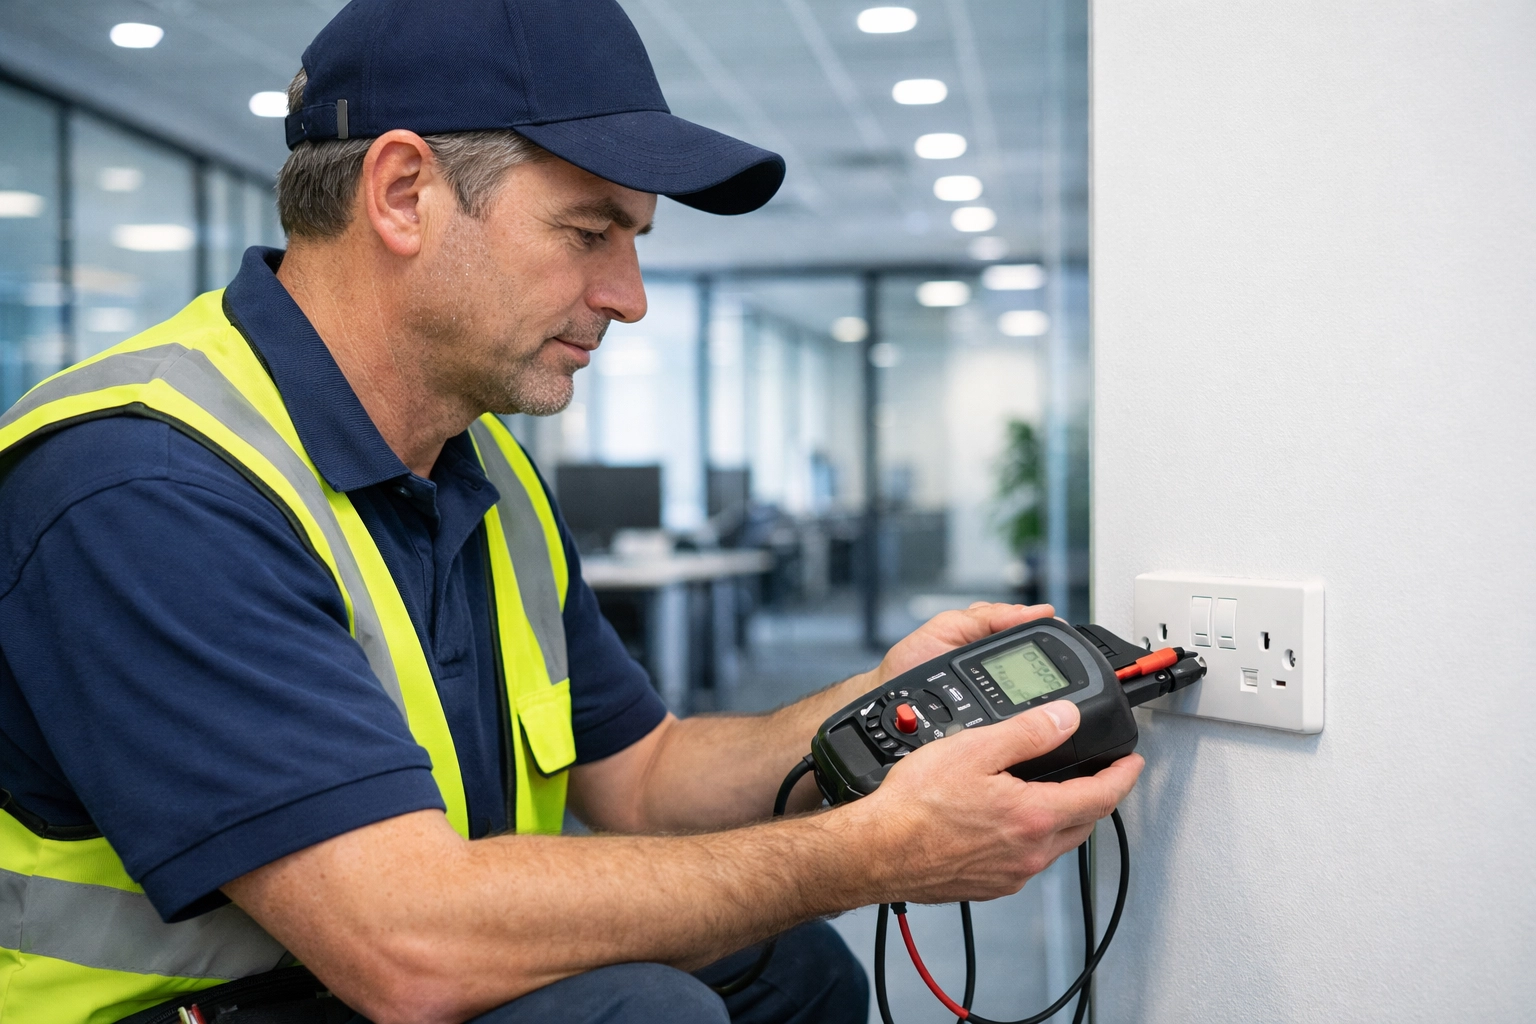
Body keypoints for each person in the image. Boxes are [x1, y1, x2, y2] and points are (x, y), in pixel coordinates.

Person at [0, 1, 1142, 1022]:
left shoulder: (480, 463)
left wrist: (874, 705)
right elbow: (407, 942)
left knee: (788, 967)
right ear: (403, 195)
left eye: (633, 245)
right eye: (589, 234)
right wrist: (870, 852)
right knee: (640, 1011)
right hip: (229, 998)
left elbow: (641, 778)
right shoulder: (150, 486)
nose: (628, 299)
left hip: (364, 970)